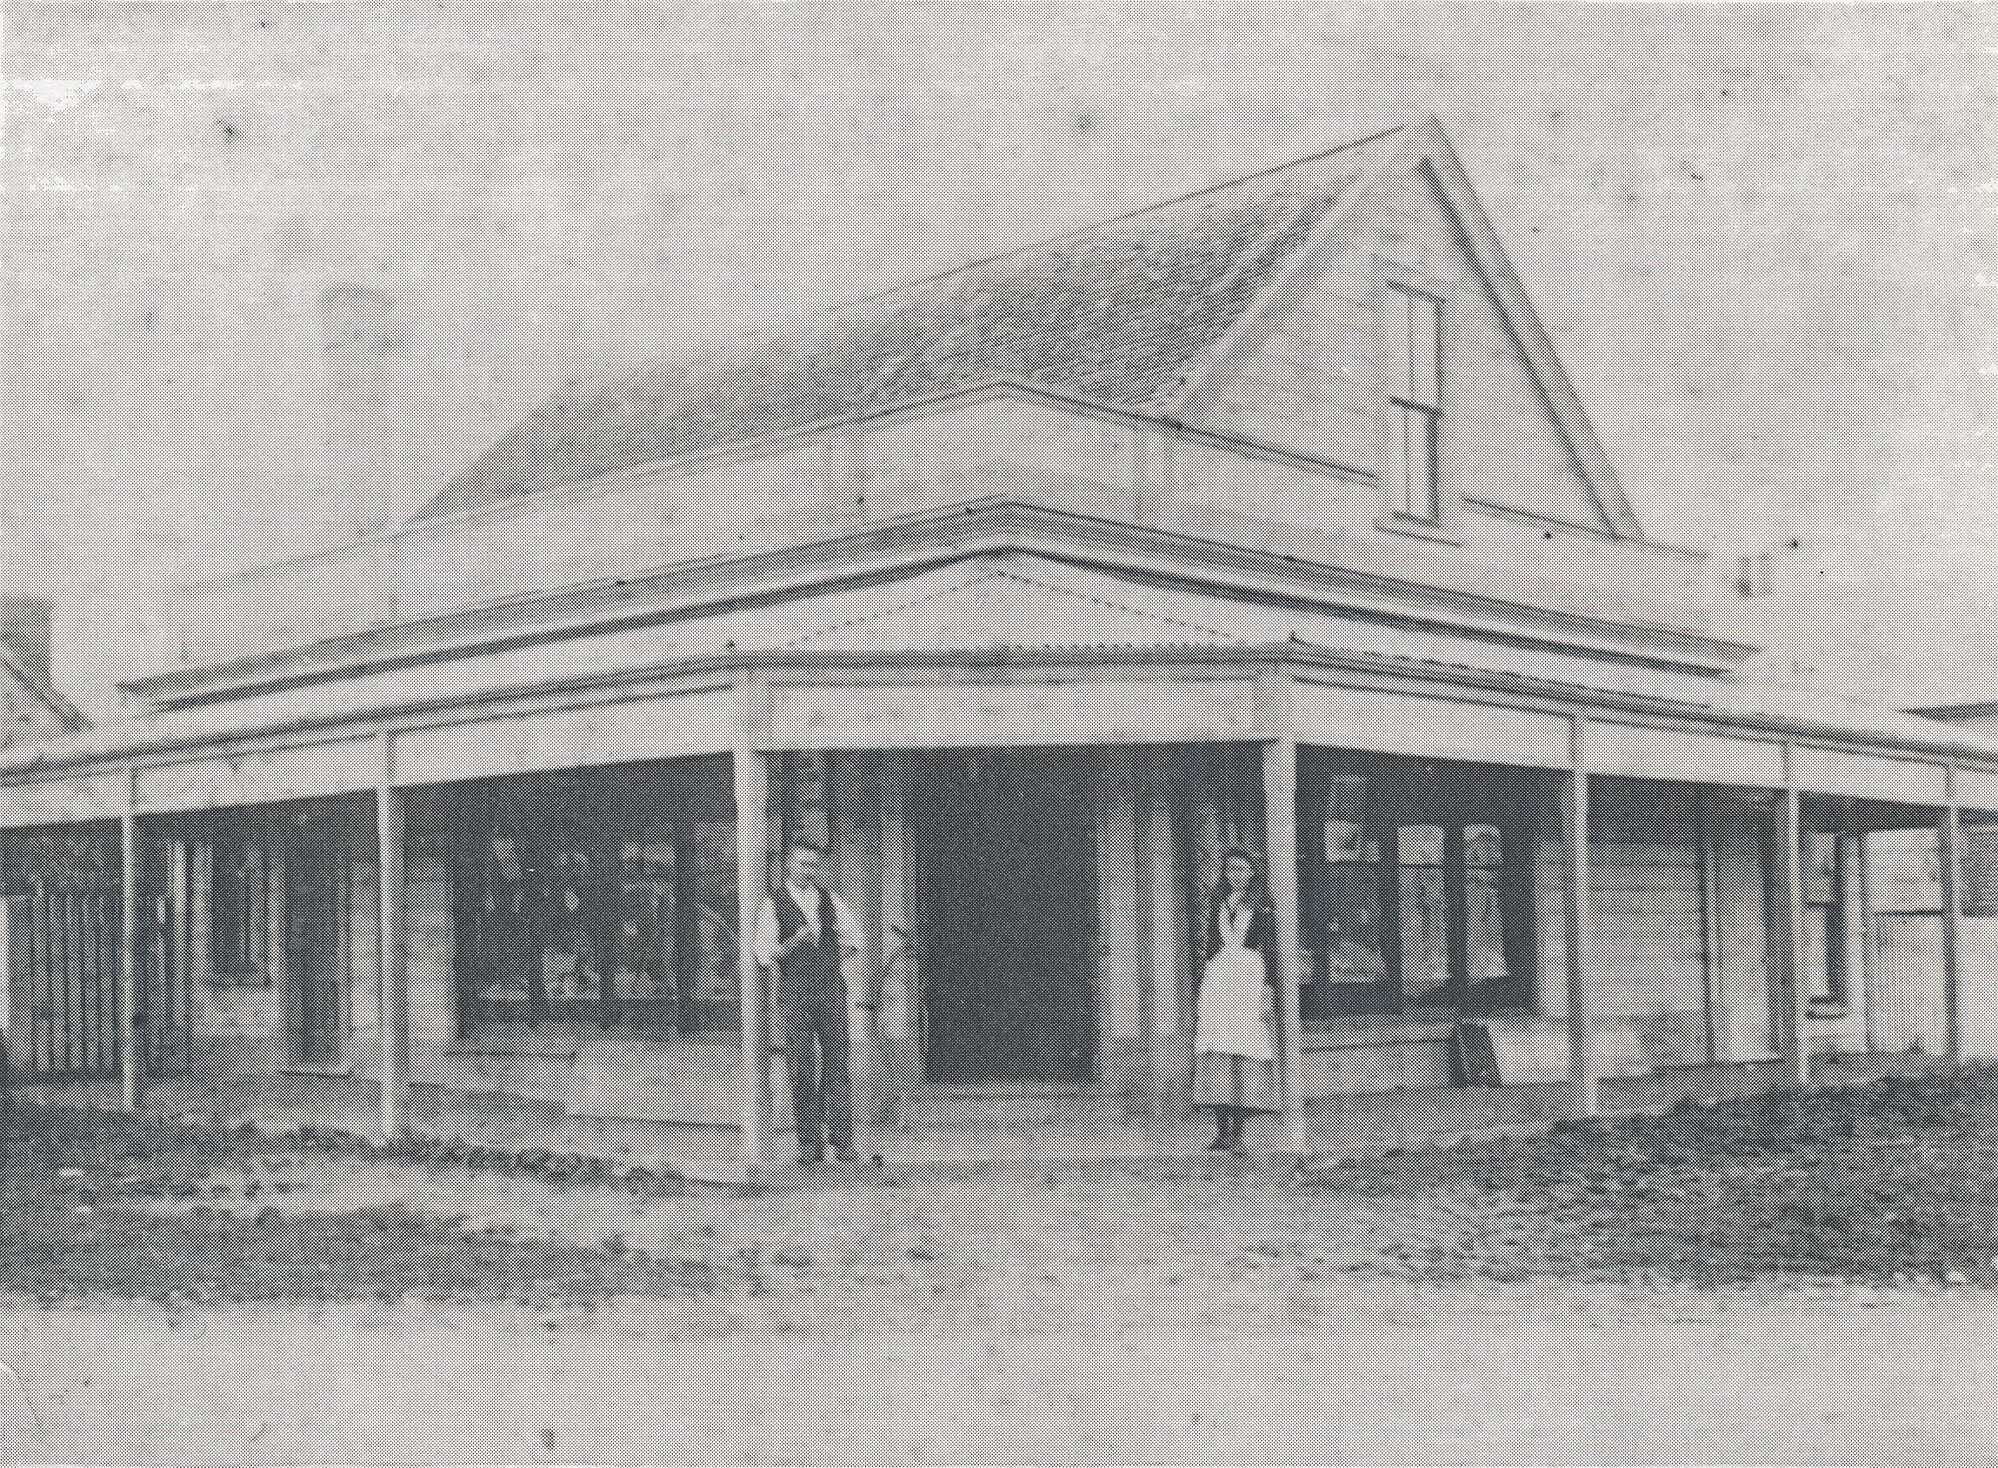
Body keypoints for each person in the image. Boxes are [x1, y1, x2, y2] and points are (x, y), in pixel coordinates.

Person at [752, 839, 862, 1165]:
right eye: (803, 864)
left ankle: (842, 1141)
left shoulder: (830, 900)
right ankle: (808, 1142)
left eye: (814, 865)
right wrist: (795, 943)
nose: (809, 871)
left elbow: (854, 939)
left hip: (830, 992)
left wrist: (828, 960)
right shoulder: (775, 903)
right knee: (801, 1067)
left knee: (838, 1064)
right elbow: (764, 953)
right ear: (789, 865)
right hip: (796, 995)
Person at [1192, 848, 1278, 1155]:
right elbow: (1211, 942)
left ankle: (1239, 1131)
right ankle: (1221, 1129)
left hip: (1248, 975)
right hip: (1219, 976)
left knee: (1244, 1046)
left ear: (1252, 872)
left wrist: (1267, 986)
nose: (1236, 875)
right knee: (1216, 1046)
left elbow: (1269, 947)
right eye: (1230, 870)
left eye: (1242, 869)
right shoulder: (1219, 902)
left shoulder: (1262, 905)